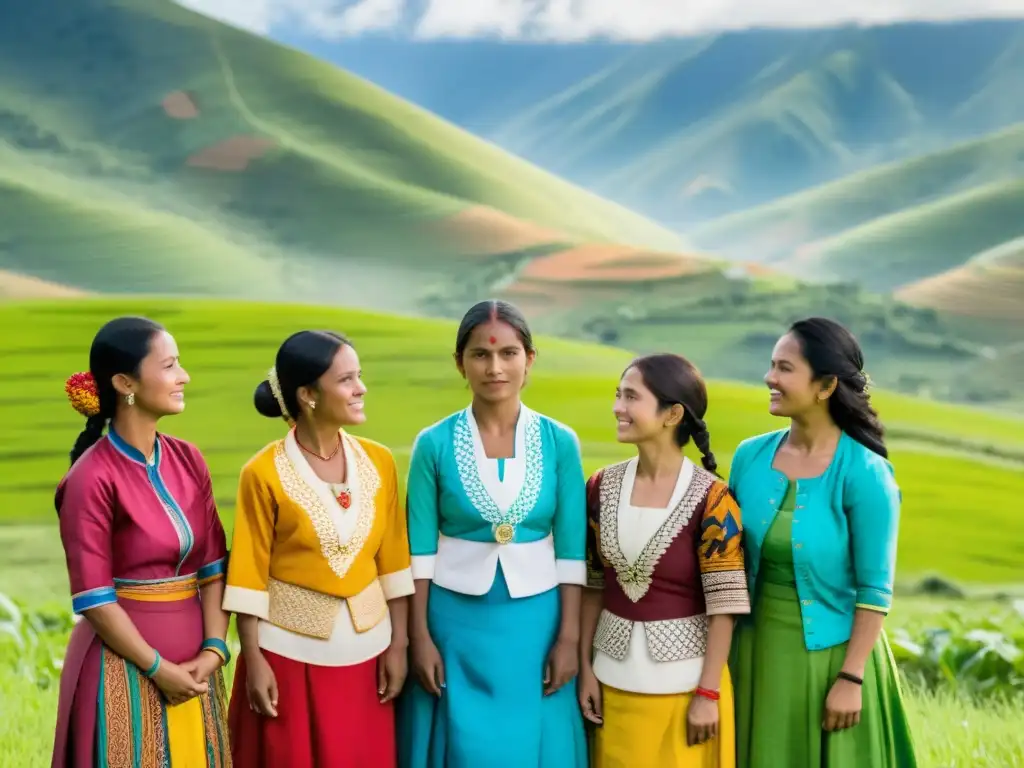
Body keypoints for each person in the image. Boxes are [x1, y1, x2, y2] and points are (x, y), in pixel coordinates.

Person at [396, 300, 588, 768]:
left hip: (538, 622)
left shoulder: (560, 441)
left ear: (529, 360)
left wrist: (568, 640)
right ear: (460, 363)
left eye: (509, 354)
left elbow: (571, 551)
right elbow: (418, 552)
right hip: (453, 621)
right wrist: (419, 637)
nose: (495, 367)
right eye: (480, 354)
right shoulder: (433, 443)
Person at [728, 317, 918, 767]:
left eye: (784, 368)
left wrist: (850, 679)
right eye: (771, 365)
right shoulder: (749, 456)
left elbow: (875, 591)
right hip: (753, 653)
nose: (769, 378)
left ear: (826, 384)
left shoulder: (866, 473)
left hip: (834, 661)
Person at [223, 330, 413, 768]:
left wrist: (398, 644)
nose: (361, 388)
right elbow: (249, 573)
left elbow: (394, 563)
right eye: (347, 380)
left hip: (370, 657)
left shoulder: (381, 462)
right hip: (287, 659)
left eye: (359, 376)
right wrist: (253, 661)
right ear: (308, 394)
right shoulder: (262, 472)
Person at [51, 316, 231, 768]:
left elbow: (212, 569)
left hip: (196, 671)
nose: (183, 376)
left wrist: (213, 649)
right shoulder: (90, 478)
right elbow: (95, 598)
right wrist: (158, 669)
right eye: (170, 366)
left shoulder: (189, 459)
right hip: (125, 669)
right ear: (125, 382)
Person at [578, 353, 750, 768]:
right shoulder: (600, 486)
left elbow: (724, 607)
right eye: (618, 395)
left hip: (686, 693)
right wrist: (585, 668)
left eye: (631, 397)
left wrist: (708, 694)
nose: (618, 407)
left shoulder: (714, 499)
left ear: (672, 413)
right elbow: (593, 585)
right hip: (611, 684)